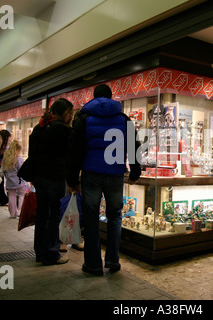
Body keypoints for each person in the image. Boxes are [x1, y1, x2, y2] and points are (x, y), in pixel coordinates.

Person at [67, 84, 142, 276]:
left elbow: (75, 150)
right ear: (111, 97)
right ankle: (112, 261)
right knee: (115, 216)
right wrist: (135, 172)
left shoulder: (84, 118)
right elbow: (134, 146)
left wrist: (73, 178)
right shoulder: (123, 119)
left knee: (91, 218)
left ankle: (93, 265)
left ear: (94, 97)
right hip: (115, 174)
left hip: (91, 173)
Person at [29, 98, 74, 265]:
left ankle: (40, 252)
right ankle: (51, 253)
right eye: (69, 112)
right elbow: (69, 155)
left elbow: (32, 153)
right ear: (64, 112)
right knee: (54, 215)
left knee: (42, 214)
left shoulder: (39, 127)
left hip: (39, 177)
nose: (71, 116)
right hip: (55, 177)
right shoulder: (62, 129)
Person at [1, 140, 27, 218]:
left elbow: (3, 171)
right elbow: (21, 169)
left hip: (9, 182)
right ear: (18, 150)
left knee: (11, 196)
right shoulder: (18, 159)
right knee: (21, 195)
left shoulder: (5, 160)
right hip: (19, 181)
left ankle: (13, 214)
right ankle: (20, 212)